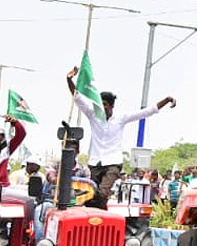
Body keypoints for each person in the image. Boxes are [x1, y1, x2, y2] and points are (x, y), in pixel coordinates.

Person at [66, 70, 174, 210]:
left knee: (102, 192)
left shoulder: (121, 118)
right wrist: (69, 80)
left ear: (111, 106)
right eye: (100, 104)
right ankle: (98, 218)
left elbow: (146, 112)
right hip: (95, 162)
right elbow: (78, 98)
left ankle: (100, 212)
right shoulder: (93, 115)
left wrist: (167, 100)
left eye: (105, 104)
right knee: (90, 195)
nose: (102, 107)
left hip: (113, 163)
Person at [0, 117, 27, 188]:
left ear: (2, 137)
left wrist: (15, 123)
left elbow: (22, 134)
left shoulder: (6, 149)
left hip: (2, 189)